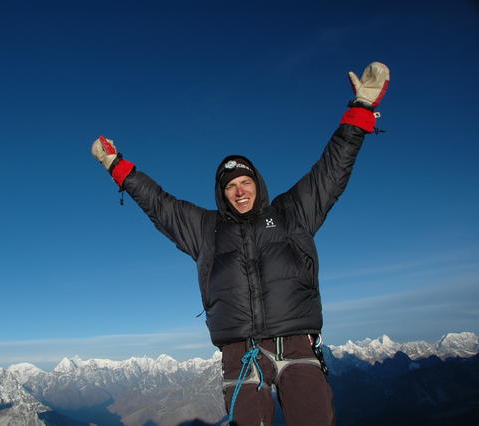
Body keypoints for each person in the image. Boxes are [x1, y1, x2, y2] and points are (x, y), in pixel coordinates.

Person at [91, 62, 390, 426]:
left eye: (245, 181)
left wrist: (361, 108)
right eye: (230, 186)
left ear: (257, 184)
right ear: (223, 194)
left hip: (297, 344)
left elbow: (331, 170)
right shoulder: (205, 229)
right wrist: (117, 166)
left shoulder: (292, 212)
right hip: (240, 354)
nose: (239, 190)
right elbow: (159, 204)